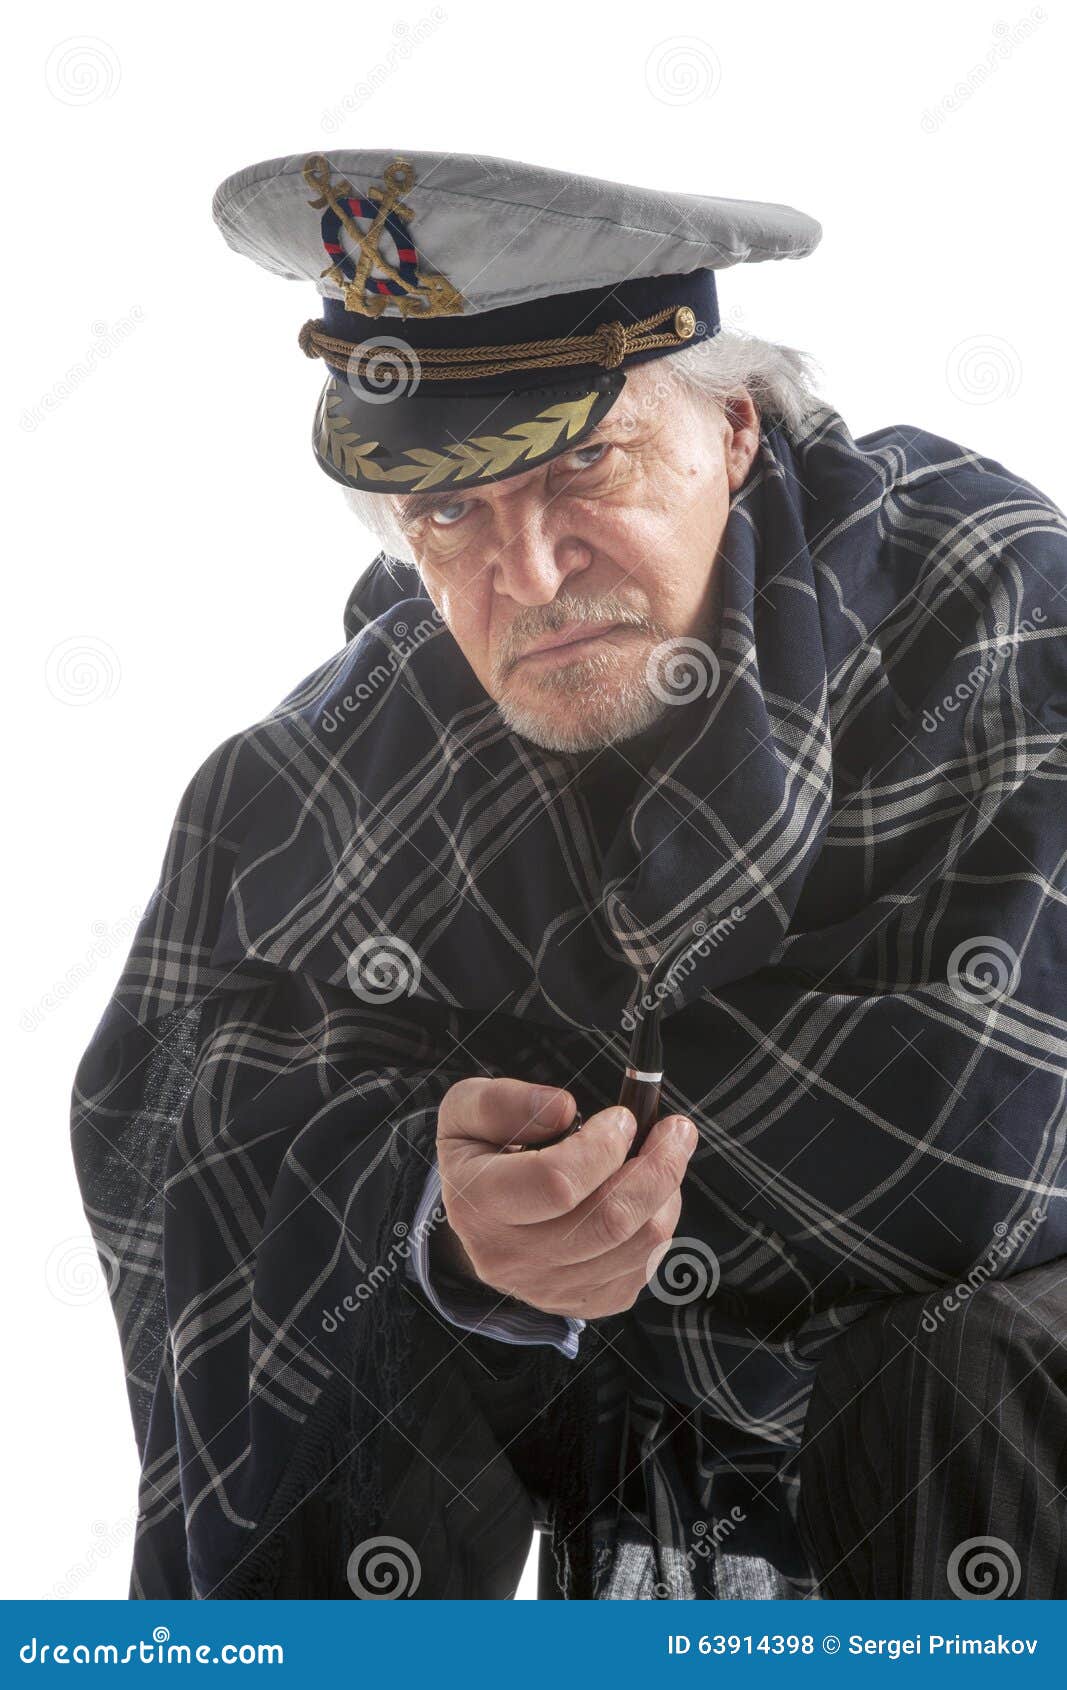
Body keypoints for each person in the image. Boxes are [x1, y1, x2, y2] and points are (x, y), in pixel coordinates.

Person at [72, 148, 1067, 1601]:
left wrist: (571, 1176)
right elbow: (183, 1134)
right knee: (371, 1303)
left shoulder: (999, 609)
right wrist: (439, 1226)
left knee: (969, 1367)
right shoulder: (317, 780)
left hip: (989, 1442)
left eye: (582, 464)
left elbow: (992, 1154)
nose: (528, 575)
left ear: (734, 425)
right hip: (599, 1441)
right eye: (450, 513)